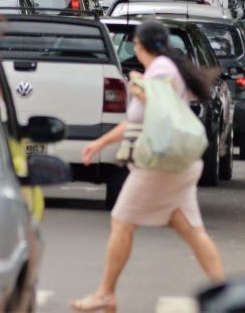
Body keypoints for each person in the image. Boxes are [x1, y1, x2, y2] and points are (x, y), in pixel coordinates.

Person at [70, 19, 224, 313]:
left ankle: (105, 293)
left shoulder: (161, 69)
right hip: (176, 163)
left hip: (160, 164)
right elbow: (140, 119)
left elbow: (158, 107)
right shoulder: (164, 69)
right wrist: (101, 143)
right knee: (191, 228)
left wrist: (140, 86)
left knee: (122, 221)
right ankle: (224, 292)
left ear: (140, 45)